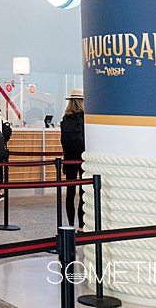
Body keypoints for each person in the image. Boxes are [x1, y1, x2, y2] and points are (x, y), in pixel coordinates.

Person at [60, 88, 85, 226]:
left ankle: (70, 225)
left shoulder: (65, 120)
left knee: (70, 194)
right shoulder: (86, 119)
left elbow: (63, 141)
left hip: (69, 159)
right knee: (83, 193)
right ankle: (81, 225)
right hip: (83, 159)